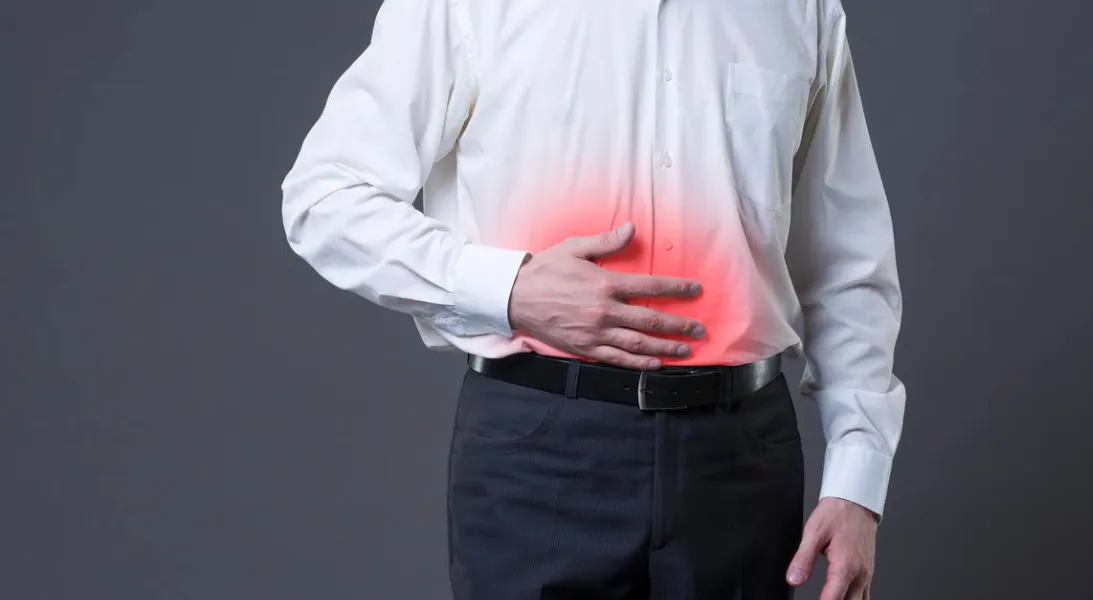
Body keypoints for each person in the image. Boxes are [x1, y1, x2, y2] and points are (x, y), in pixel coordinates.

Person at [280, 0, 905, 598]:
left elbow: (847, 256)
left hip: (741, 461)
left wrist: (858, 483)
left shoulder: (801, 8)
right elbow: (325, 198)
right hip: (539, 448)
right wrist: (510, 289)